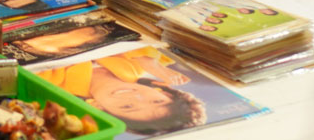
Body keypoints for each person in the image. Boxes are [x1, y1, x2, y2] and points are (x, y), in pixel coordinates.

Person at [36, 47, 207, 134]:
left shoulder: (51, 82)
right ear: (163, 91)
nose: (136, 97)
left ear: (98, 107)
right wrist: (149, 62)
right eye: (156, 101)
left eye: (127, 107)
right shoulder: (142, 62)